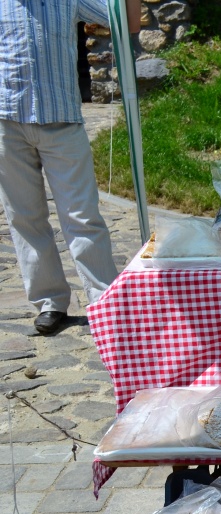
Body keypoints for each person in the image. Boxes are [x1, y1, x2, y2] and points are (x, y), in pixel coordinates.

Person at [0, 0, 141, 335]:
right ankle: (50, 302)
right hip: (7, 121)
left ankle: (104, 302)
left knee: (82, 216)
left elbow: (127, 22)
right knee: (24, 217)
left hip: (62, 123)